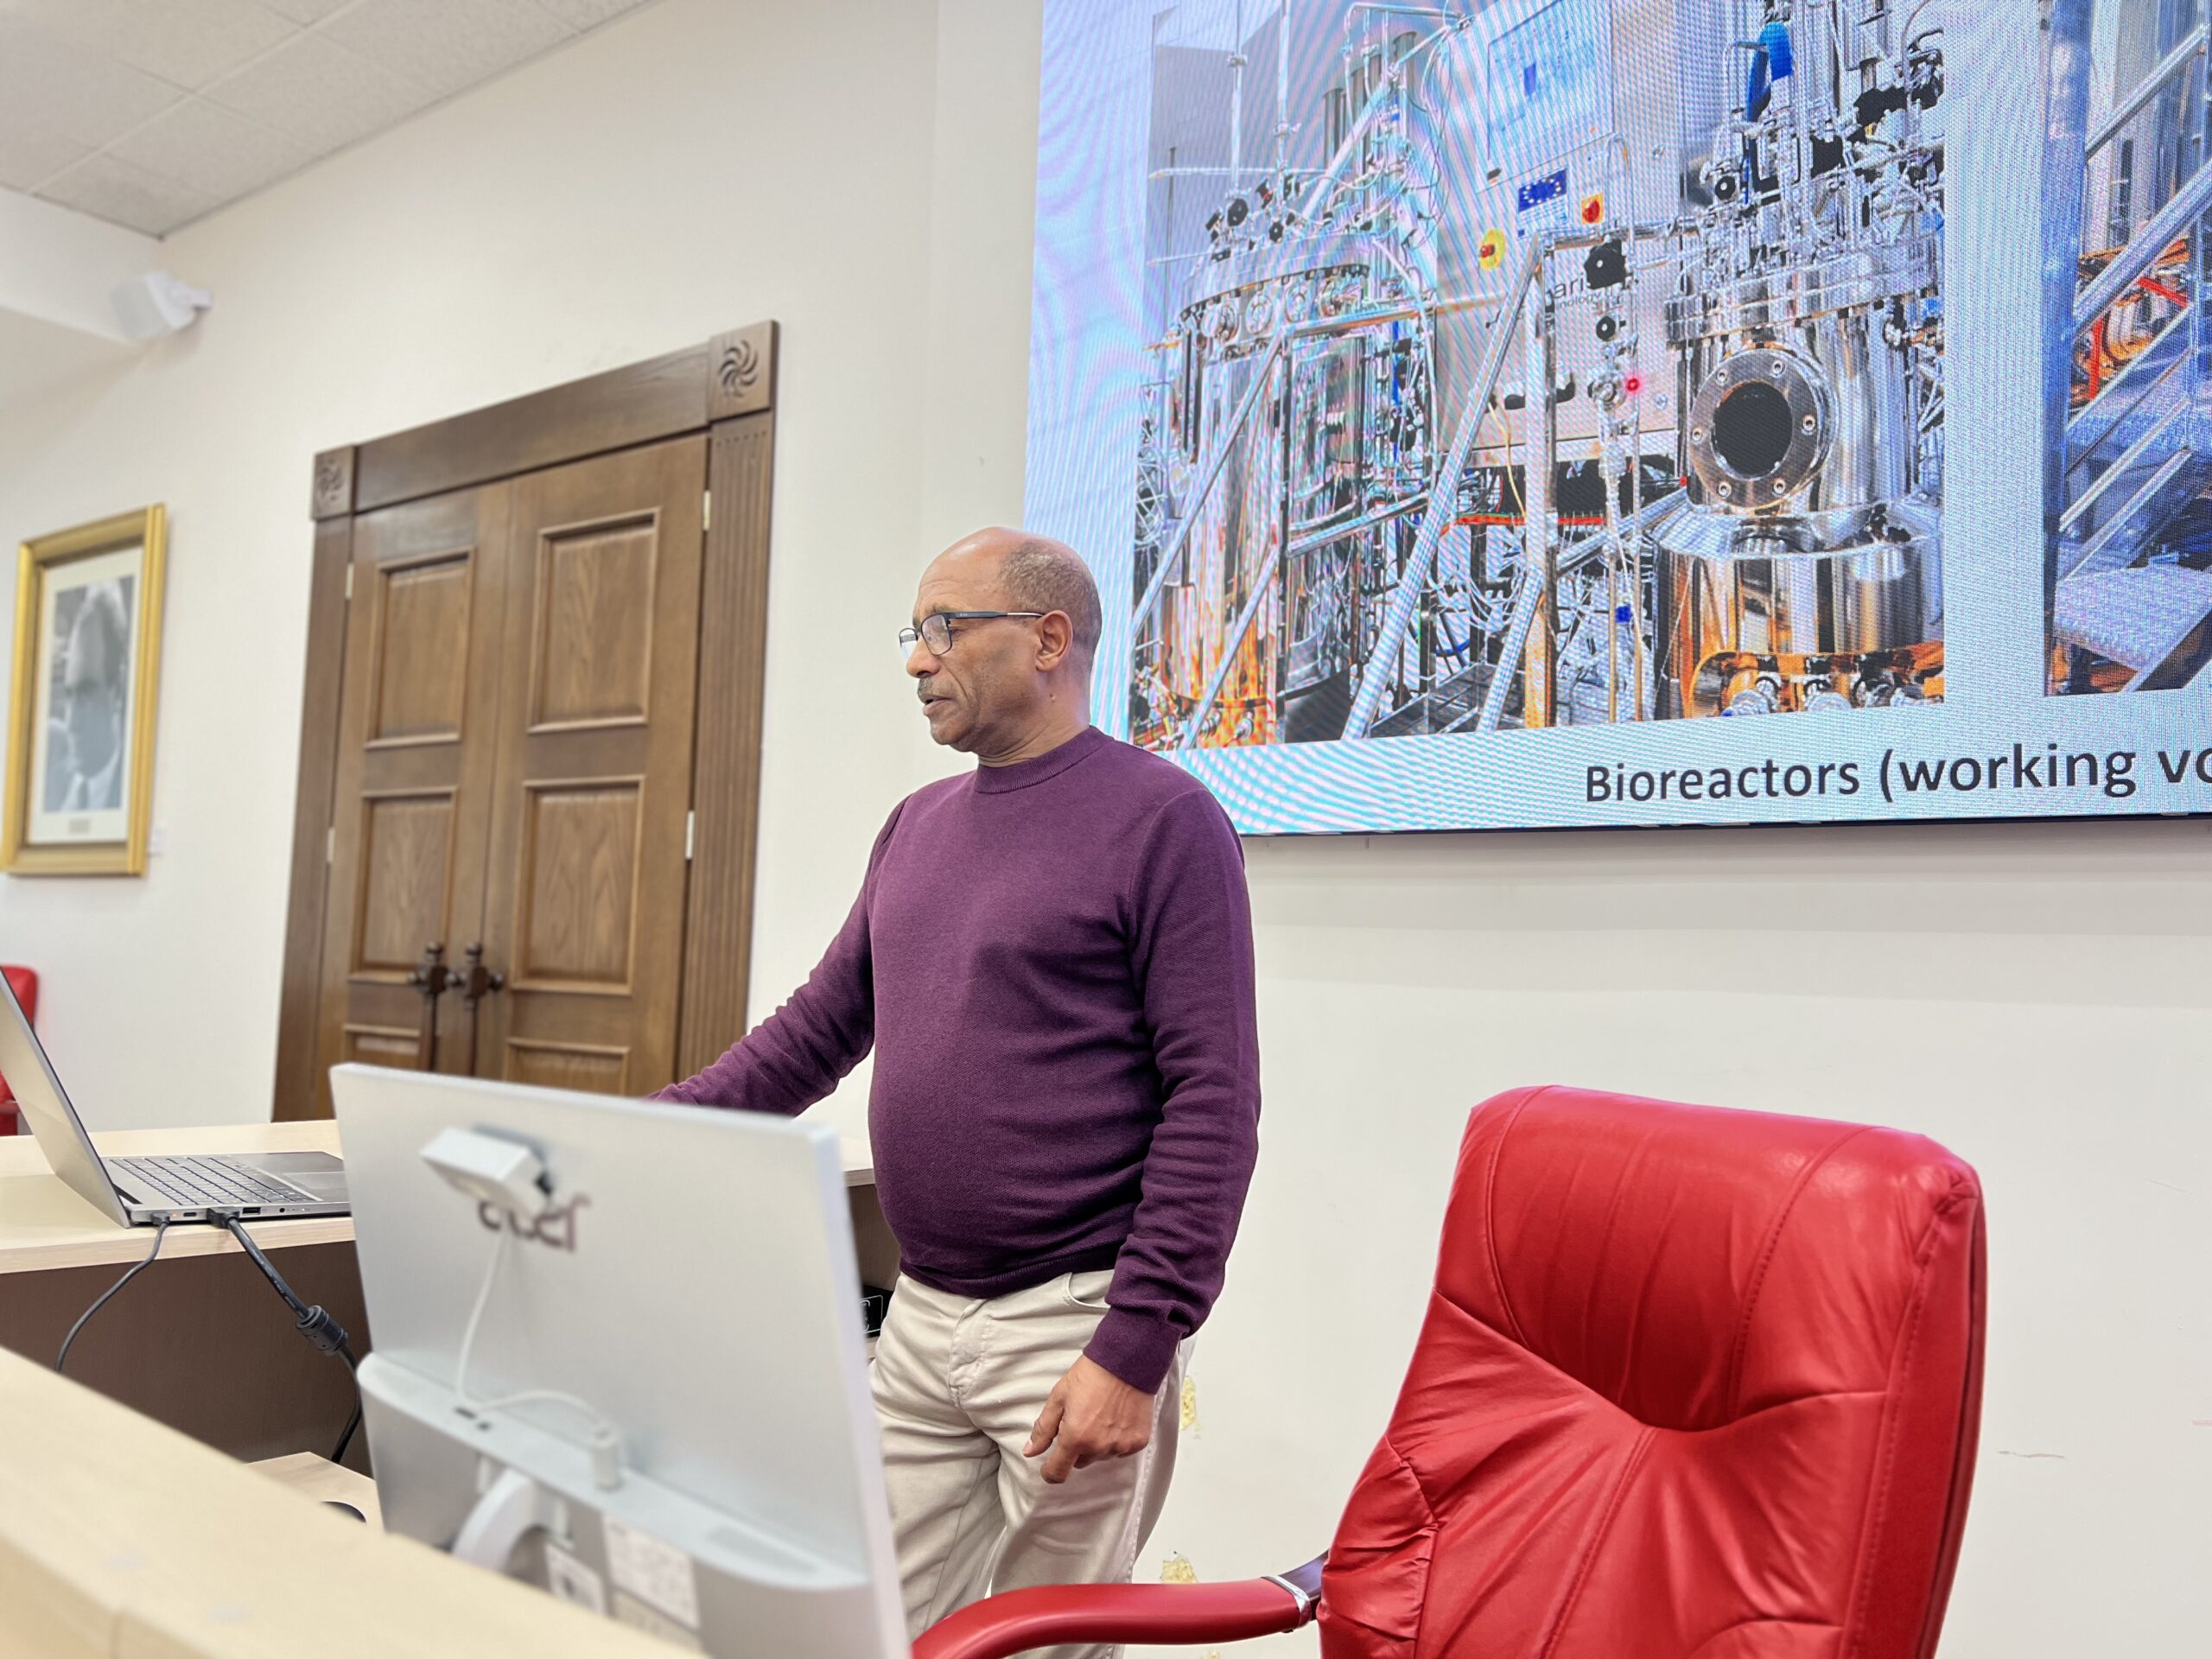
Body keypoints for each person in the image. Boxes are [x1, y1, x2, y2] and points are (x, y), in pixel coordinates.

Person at [658, 526, 1260, 1656]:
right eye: (914, 631)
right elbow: (817, 1030)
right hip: (922, 1313)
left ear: (1048, 639)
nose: (917, 658)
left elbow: (1213, 1105)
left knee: (1041, 1645)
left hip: (1074, 1320)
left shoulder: (1165, 821)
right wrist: (642, 1134)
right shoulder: (918, 826)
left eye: (945, 627)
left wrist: (1137, 1345)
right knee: (874, 1629)